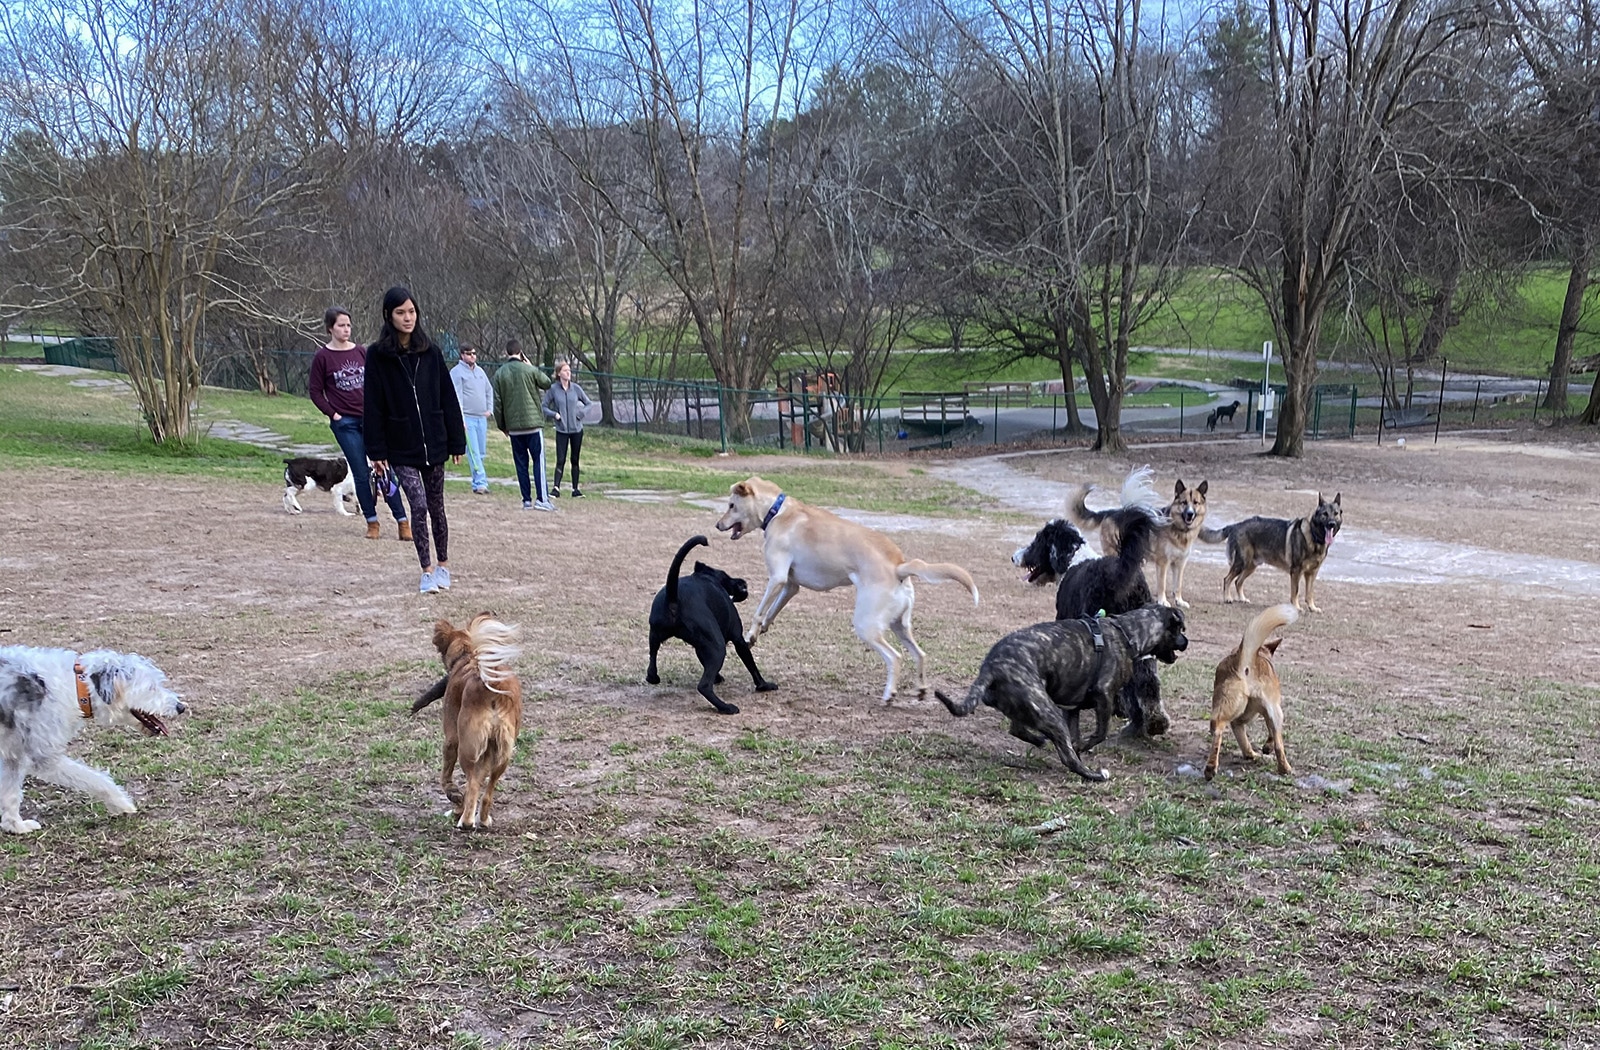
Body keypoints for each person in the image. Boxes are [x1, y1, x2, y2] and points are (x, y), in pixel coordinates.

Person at [363, 286, 466, 594]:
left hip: (434, 444)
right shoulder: (377, 356)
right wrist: (376, 449)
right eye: (400, 313)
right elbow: (373, 405)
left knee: (437, 506)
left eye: (411, 312)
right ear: (388, 316)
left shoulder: (431, 351)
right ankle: (426, 569)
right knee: (417, 505)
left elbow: (448, 397)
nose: (407, 318)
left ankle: (444, 564)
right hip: (400, 447)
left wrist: (456, 441)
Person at [307, 306, 411, 541]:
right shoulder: (323, 357)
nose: (346, 329)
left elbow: (377, 382)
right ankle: (372, 522)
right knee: (361, 474)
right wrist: (333, 414)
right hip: (346, 425)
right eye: (341, 325)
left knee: (384, 470)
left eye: (348, 325)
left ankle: (403, 521)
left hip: (371, 420)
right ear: (330, 328)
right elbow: (315, 391)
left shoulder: (362, 352)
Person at [490, 339, 555, 510]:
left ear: (507, 353)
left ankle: (526, 499)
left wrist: (502, 425)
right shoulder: (529, 369)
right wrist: (533, 366)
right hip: (532, 424)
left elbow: (497, 403)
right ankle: (542, 499)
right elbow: (547, 383)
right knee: (538, 461)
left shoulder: (499, 374)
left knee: (521, 464)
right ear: (521, 352)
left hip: (514, 428)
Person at [542, 360, 593, 497]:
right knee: (560, 459)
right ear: (559, 373)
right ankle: (556, 489)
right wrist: (555, 415)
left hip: (577, 430)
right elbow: (544, 406)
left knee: (575, 459)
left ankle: (575, 489)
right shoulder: (553, 389)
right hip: (562, 430)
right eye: (565, 370)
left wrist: (581, 414)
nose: (568, 373)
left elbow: (589, 403)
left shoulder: (576, 388)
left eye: (569, 370)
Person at [449, 344, 494, 495]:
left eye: (474, 353)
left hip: (481, 417)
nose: (472, 356)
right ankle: (481, 483)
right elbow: (456, 396)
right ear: (462, 355)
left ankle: (476, 482)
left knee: (481, 452)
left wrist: (490, 409)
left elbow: (489, 390)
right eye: (469, 354)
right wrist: (460, 419)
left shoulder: (480, 371)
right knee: (473, 452)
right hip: (467, 418)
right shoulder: (457, 372)